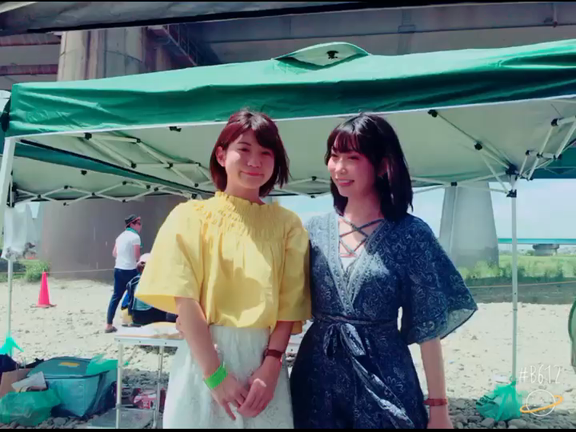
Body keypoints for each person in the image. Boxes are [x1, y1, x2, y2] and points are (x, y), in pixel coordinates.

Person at [290, 113, 478, 429]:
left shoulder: (411, 235)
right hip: (317, 379)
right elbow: (282, 300)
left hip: (385, 374)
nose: (339, 168)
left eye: (352, 158)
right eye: (334, 156)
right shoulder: (313, 230)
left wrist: (439, 408)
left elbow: (428, 328)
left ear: (382, 165)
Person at [135, 109, 311, 429]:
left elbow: (290, 304)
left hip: (263, 364)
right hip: (204, 356)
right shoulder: (189, 216)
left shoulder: (288, 225)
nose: (255, 161)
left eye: (266, 153)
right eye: (244, 149)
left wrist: (272, 366)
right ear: (221, 154)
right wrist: (214, 374)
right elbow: (185, 299)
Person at [105, 214, 142, 333]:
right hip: (130, 270)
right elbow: (137, 256)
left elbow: (114, 253)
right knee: (135, 295)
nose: (140, 226)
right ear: (131, 224)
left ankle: (109, 324)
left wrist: (124, 256)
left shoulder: (120, 236)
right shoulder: (135, 237)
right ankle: (132, 320)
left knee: (116, 297)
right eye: (138, 223)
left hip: (118, 269)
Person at [120, 253, 178, 326]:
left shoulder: (133, 281)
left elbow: (125, 303)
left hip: (136, 317)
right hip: (150, 316)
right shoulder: (157, 280)